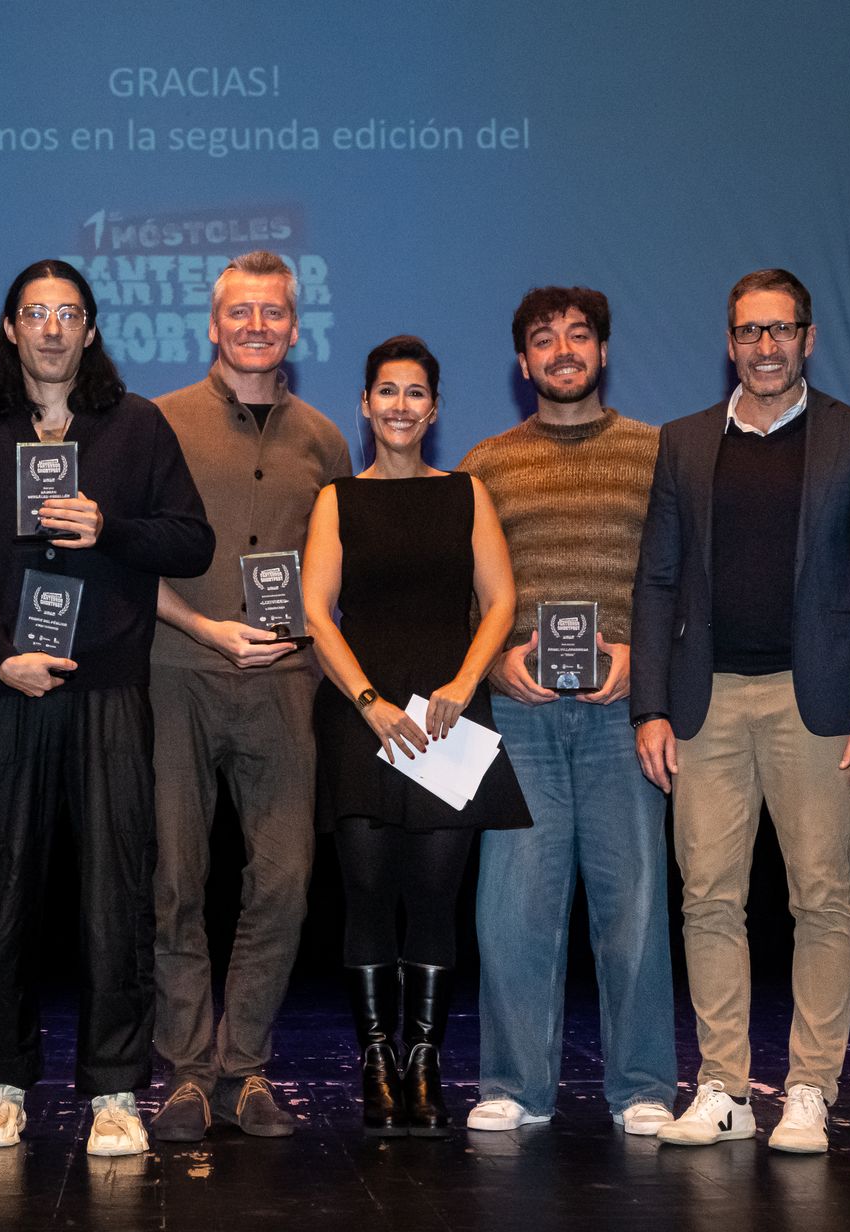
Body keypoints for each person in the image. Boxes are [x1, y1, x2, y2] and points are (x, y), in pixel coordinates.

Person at [0, 260, 214, 1157]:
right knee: (3, 894)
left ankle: (114, 1092)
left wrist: (111, 528)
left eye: (69, 313)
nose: (53, 328)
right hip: (11, 686)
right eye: (36, 313)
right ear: (11, 328)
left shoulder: (137, 427)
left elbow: (192, 539)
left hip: (108, 691)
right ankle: (2, 1084)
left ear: (91, 329)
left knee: (115, 899)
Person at [631, 269, 850, 1153]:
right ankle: (724, 1088)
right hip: (705, 702)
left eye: (782, 329)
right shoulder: (683, 442)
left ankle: (810, 1089)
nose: (766, 346)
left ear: (809, 339)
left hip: (815, 701)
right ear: (730, 342)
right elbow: (657, 580)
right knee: (708, 898)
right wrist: (649, 707)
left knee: (821, 896)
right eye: (750, 331)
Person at [458, 287, 677, 1136]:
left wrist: (642, 661)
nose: (562, 351)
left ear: (603, 352)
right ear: (523, 363)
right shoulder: (485, 463)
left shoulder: (656, 453)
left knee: (636, 908)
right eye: (544, 340)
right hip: (522, 715)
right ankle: (514, 1087)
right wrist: (497, 662)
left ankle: (644, 1087)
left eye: (578, 336)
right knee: (513, 911)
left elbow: (679, 582)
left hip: (626, 714)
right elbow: (467, 593)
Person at [146, 251, 352, 1142]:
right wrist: (205, 629)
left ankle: (244, 1068)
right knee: (175, 879)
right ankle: (189, 1074)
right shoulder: (158, 424)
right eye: (241, 311)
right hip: (176, 674)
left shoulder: (326, 442)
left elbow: (335, 576)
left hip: (285, 688)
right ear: (213, 324)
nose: (256, 326)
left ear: (295, 329)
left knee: (286, 881)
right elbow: (127, 561)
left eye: (273, 312)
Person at [303, 334, 529, 1137]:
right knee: (367, 896)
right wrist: (368, 701)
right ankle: (377, 1065)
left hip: (447, 724)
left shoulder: (467, 493)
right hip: (362, 721)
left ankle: (424, 1063)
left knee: (435, 898)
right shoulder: (337, 499)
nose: (400, 406)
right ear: (365, 405)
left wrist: (464, 685)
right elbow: (315, 613)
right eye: (387, 391)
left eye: (416, 393)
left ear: (434, 410)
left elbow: (500, 602)